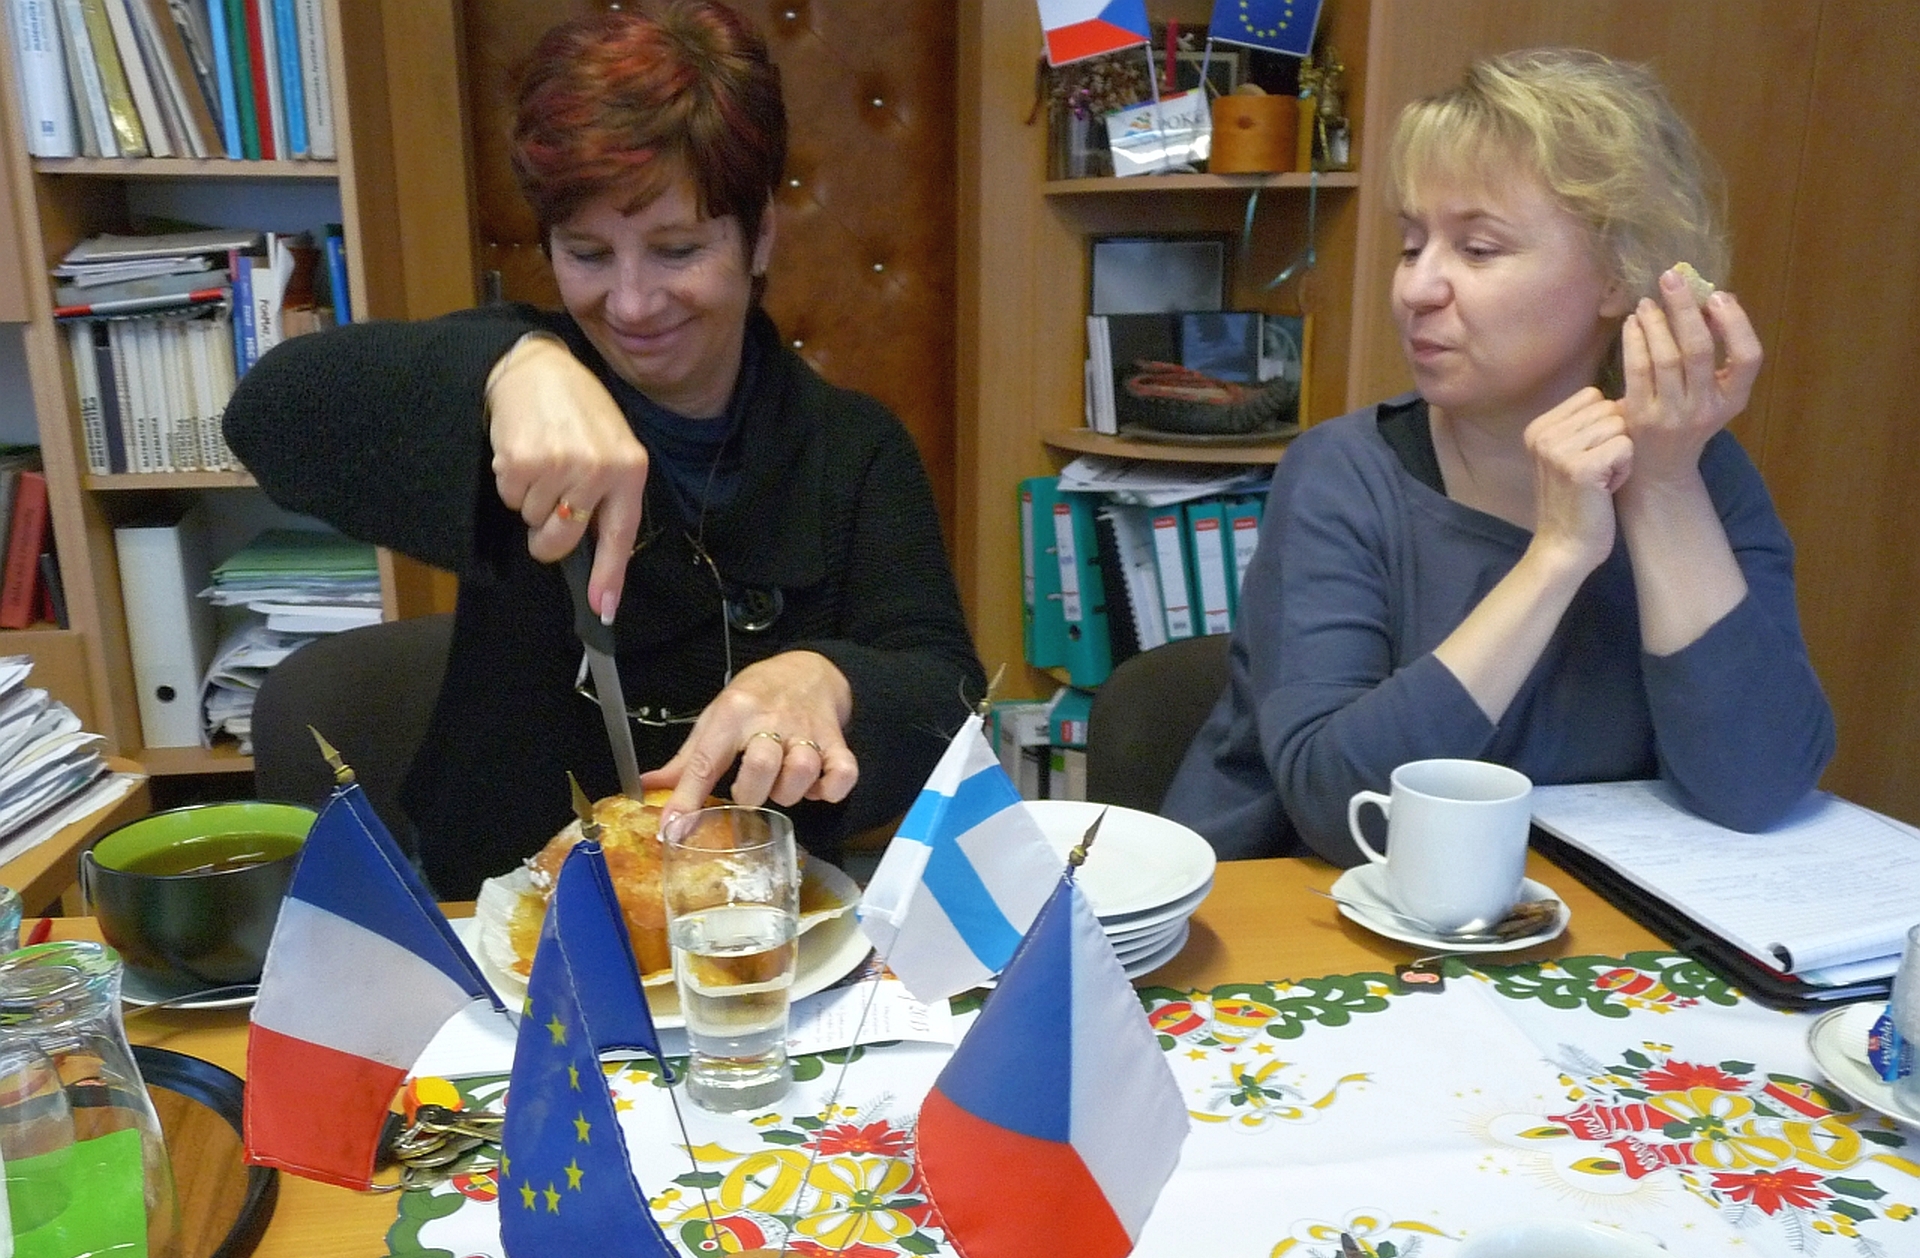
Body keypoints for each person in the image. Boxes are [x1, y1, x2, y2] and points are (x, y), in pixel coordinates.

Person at [224, 2, 983, 899]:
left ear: (760, 237)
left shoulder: (854, 449)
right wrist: (510, 367)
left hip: (751, 922)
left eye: (677, 249)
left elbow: (947, 697)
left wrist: (831, 678)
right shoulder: (511, 391)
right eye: (586, 254)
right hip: (495, 905)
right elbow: (268, 414)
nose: (630, 304)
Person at [1163, 49, 1833, 868]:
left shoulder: (1701, 473)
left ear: (1618, 278)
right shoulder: (1343, 472)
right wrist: (1555, 558)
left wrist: (1664, 489)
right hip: (1309, 913)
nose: (1417, 289)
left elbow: (1759, 785)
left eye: (1477, 250)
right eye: (1412, 245)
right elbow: (1343, 815)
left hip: (1573, 919)